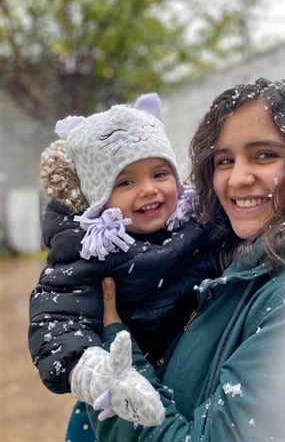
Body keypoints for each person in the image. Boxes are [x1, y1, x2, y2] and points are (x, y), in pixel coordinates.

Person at [86, 78, 285, 441]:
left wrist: (116, 368)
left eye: (264, 154)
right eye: (224, 161)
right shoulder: (248, 264)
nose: (236, 178)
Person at [28, 94, 215, 439]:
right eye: (126, 182)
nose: (149, 190)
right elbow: (55, 323)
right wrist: (93, 370)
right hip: (117, 399)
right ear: (99, 197)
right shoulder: (88, 250)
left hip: (182, 383)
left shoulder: (197, 224)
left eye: (160, 173)